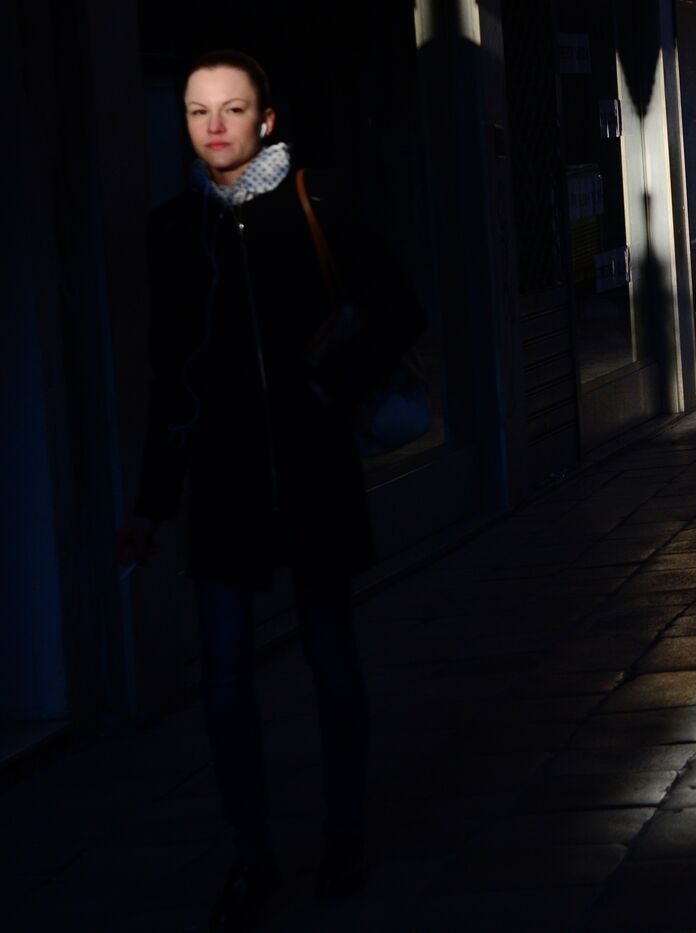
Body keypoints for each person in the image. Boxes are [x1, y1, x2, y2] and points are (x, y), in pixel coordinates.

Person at [114, 50, 425, 929]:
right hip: (222, 484)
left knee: (331, 662)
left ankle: (344, 835)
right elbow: (169, 379)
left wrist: (333, 386)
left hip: (315, 471)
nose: (214, 124)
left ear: (267, 119)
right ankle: (252, 857)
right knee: (223, 678)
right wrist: (149, 502)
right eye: (196, 110)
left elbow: (402, 309)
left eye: (233, 108)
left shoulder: (318, 205)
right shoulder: (174, 230)